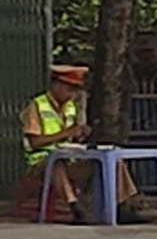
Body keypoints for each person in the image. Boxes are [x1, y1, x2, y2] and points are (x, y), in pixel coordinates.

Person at [20, 64, 140, 223]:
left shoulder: (71, 107)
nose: (72, 94)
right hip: (40, 164)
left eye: (75, 90)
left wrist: (80, 135)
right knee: (55, 162)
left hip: (70, 160)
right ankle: (75, 208)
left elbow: (71, 139)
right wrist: (66, 133)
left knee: (111, 160)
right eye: (69, 89)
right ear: (56, 85)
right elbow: (35, 142)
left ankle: (121, 205)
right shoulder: (36, 106)